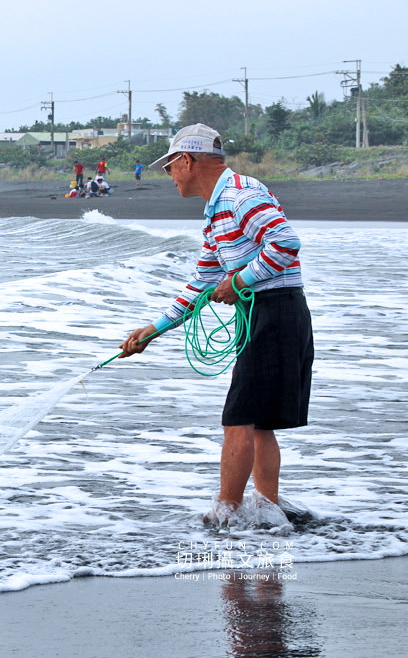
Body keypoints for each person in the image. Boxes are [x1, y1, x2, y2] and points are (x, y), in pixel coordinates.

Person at [118, 123, 313, 524]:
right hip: (264, 311)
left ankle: (223, 517)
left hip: (274, 310)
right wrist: (152, 330)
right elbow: (203, 281)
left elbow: (286, 243)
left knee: (238, 417)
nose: (168, 175)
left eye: (169, 165)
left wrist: (239, 281)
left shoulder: (240, 194)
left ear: (187, 160)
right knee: (257, 420)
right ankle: (266, 514)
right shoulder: (215, 212)